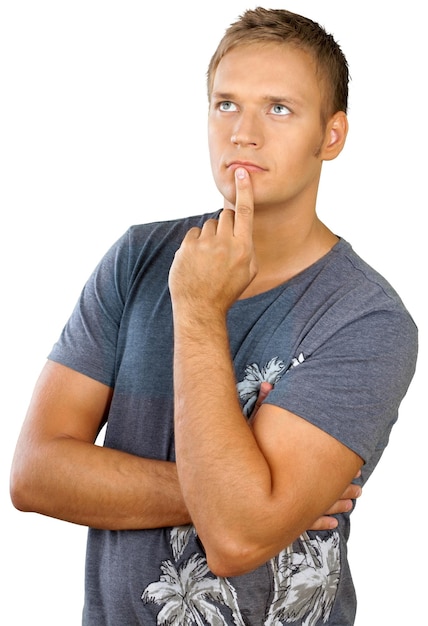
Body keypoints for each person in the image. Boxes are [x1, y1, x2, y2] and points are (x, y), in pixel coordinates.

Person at [10, 7, 417, 626]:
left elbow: (236, 540)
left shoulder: (367, 320)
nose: (243, 132)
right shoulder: (137, 259)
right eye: (226, 104)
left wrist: (198, 312)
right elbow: (35, 474)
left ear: (331, 136)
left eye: (278, 108)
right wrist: (258, 499)